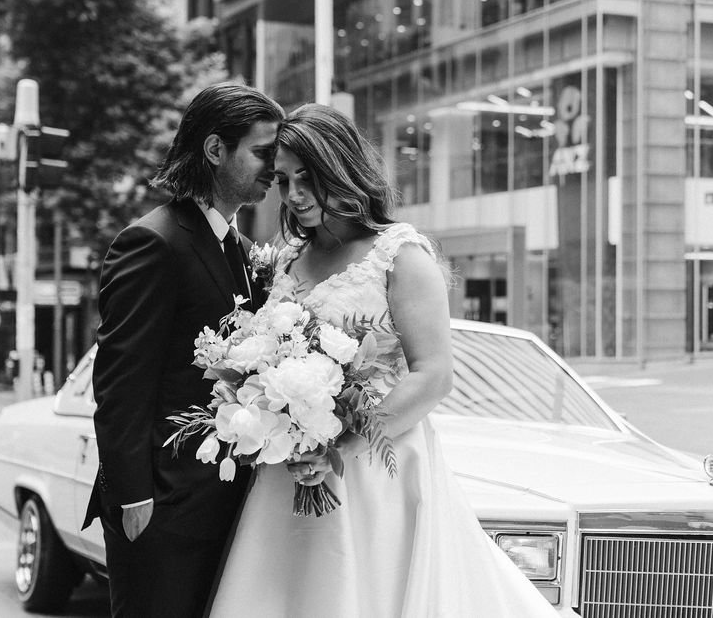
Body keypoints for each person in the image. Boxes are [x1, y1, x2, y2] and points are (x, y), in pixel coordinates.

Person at [208, 103, 558, 617]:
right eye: (283, 181)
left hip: (375, 468)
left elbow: (435, 376)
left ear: (341, 170)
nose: (295, 195)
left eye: (308, 178)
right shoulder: (285, 261)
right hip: (289, 472)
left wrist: (341, 445)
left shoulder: (401, 255)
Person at [82, 83, 285, 618]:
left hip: (226, 503)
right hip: (159, 509)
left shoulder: (244, 252)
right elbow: (122, 382)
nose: (274, 167)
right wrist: (132, 497)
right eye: (263, 152)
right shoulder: (152, 242)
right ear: (215, 150)